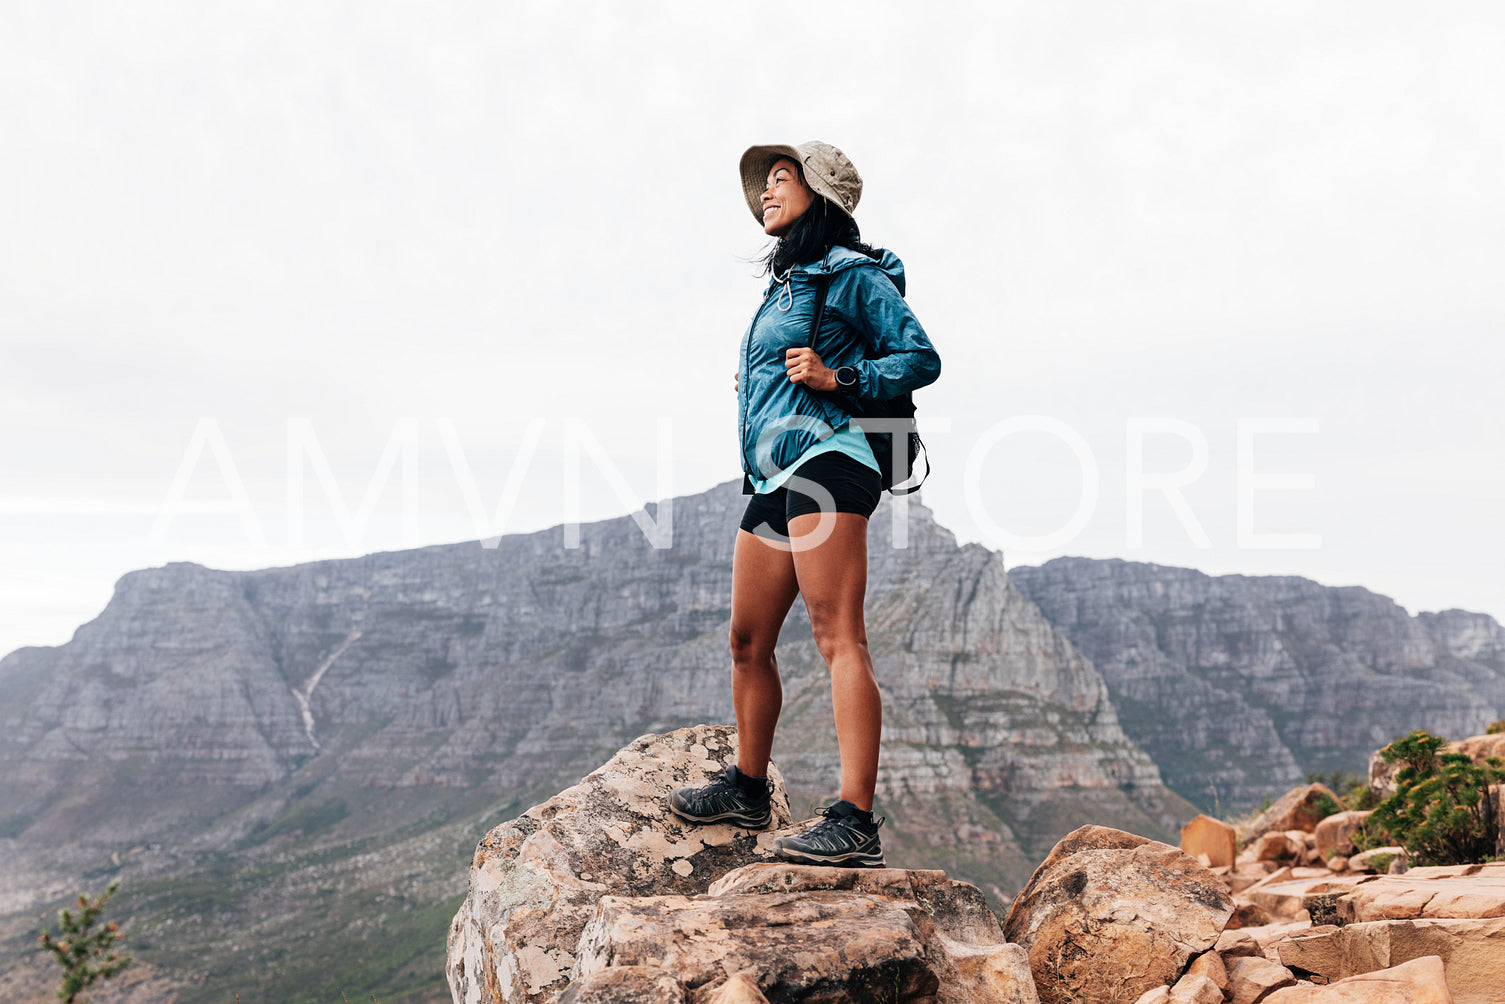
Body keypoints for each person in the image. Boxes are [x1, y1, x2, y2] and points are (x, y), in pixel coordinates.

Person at [668, 141, 941, 867]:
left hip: (831, 458)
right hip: (771, 475)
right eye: (763, 187)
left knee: (835, 635)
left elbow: (920, 358)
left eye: (779, 181)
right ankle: (748, 789)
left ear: (817, 195)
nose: (765, 194)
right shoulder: (785, 288)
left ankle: (854, 821)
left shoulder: (851, 275)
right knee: (746, 641)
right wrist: (760, 383)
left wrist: (834, 374)